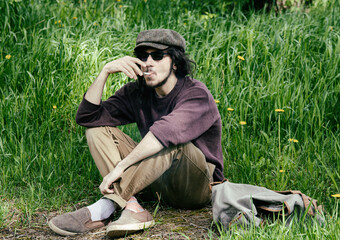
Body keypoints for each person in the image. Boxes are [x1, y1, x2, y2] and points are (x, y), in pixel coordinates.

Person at [48, 29, 224, 238]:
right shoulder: (137, 92)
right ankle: (132, 206)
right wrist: (105, 71)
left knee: (172, 142)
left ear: (175, 63)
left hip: (195, 188)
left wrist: (120, 167)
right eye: (143, 56)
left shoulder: (196, 94)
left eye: (157, 56)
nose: (148, 62)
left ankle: (105, 207)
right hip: (155, 182)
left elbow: (164, 133)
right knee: (96, 131)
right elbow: (88, 117)